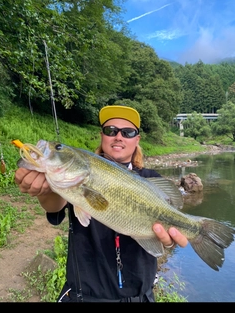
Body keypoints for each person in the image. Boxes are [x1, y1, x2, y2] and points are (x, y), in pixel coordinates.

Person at [14, 105, 188, 302]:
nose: (118, 137)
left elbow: (165, 232)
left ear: (137, 139)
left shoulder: (150, 179)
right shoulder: (76, 180)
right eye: (110, 131)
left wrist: (171, 236)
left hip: (140, 296)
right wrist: (44, 191)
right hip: (86, 295)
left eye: (128, 132)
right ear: (102, 135)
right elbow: (54, 206)